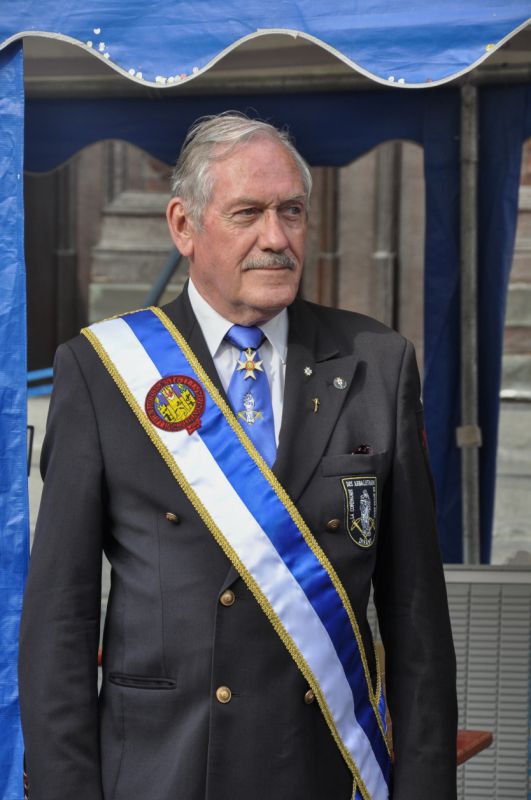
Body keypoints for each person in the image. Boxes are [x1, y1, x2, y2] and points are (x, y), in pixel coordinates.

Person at [18, 113, 457, 800]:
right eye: (247, 213)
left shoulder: (375, 363)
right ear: (184, 226)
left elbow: (415, 618)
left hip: (320, 769)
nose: (276, 238)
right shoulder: (105, 372)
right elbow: (59, 620)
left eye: (292, 211)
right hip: (165, 770)